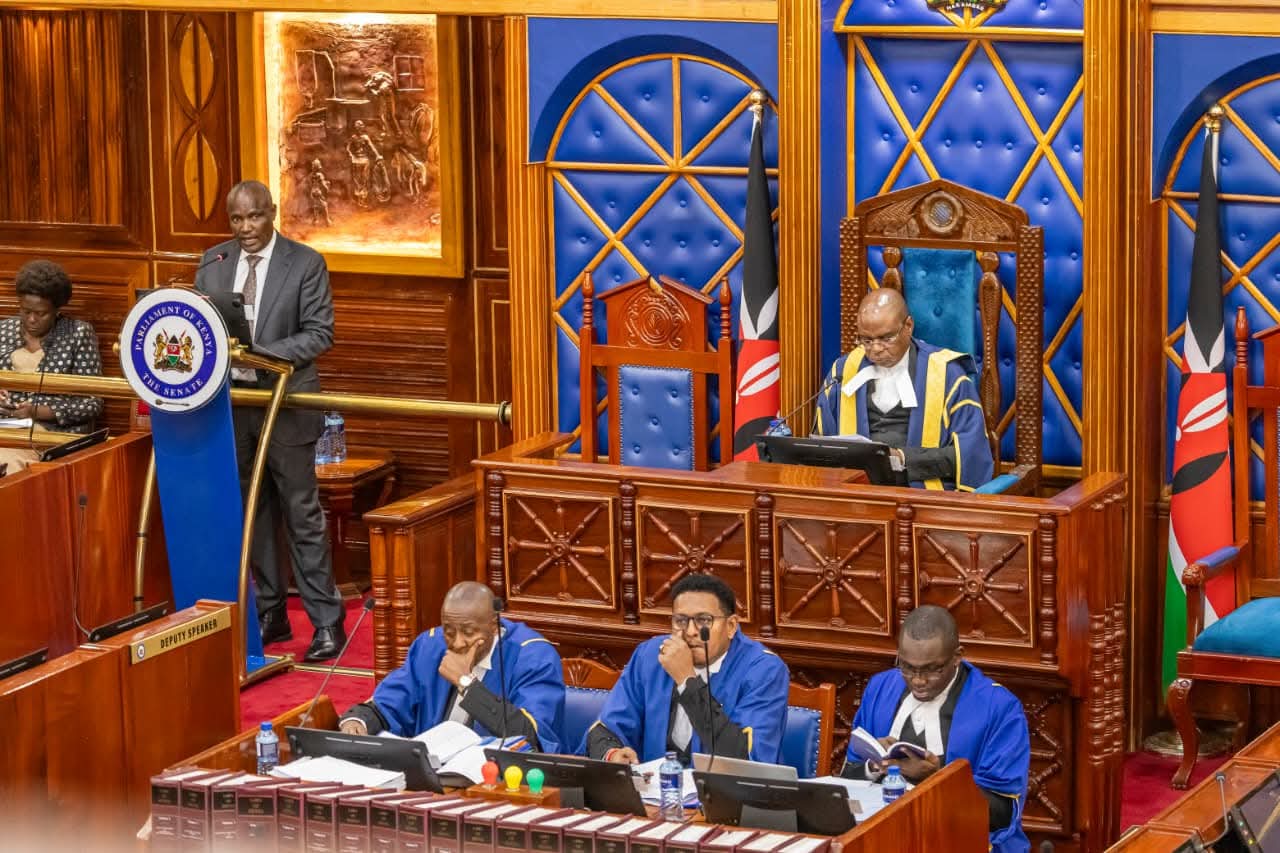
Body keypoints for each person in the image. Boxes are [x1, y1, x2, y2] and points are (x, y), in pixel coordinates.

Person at [194, 180, 344, 662]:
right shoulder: (213, 264)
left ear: (272, 212)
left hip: (288, 404)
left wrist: (263, 357)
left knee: (302, 514)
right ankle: (272, 613)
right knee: (252, 513)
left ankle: (327, 623)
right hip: (235, 408)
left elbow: (320, 333)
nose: (245, 229)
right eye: (236, 220)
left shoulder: (304, 263)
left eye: (254, 217)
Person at [842, 606, 1029, 853]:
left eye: (932, 669)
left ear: (957, 656)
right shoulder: (880, 688)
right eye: (907, 667)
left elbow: (1002, 814)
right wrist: (874, 766)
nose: (918, 680)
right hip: (885, 838)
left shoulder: (999, 708)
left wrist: (935, 778)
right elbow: (846, 777)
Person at [585, 573, 790, 765]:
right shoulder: (650, 656)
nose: (691, 632)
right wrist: (612, 754)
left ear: (731, 626)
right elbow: (605, 730)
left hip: (727, 799)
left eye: (704, 620)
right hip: (653, 796)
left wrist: (687, 681)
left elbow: (745, 758)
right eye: (681, 621)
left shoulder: (764, 671)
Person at [339, 581, 566, 753]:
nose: (457, 643)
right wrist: (359, 720)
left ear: (494, 626)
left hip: (498, 781)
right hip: (432, 773)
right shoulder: (430, 645)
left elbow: (529, 736)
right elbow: (392, 701)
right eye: (449, 631)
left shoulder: (533, 656)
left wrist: (466, 683)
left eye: (469, 633)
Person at [813, 288, 994, 491]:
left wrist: (903, 458)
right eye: (866, 340)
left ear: (908, 326)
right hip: (857, 494)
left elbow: (970, 455)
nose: (876, 349)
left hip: (923, 496)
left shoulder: (948, 375)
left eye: (886, 338)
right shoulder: (842, 372)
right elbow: (822, 450)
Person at [0, 260, 103, 474]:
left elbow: (92, 403)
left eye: (41, 313)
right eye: (26, 311)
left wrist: (38, 411)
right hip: (5, 427)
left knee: (7, 462)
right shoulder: (4, 330)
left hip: (49, 434)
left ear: (56, 310)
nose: (31, 320)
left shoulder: (77, 334)